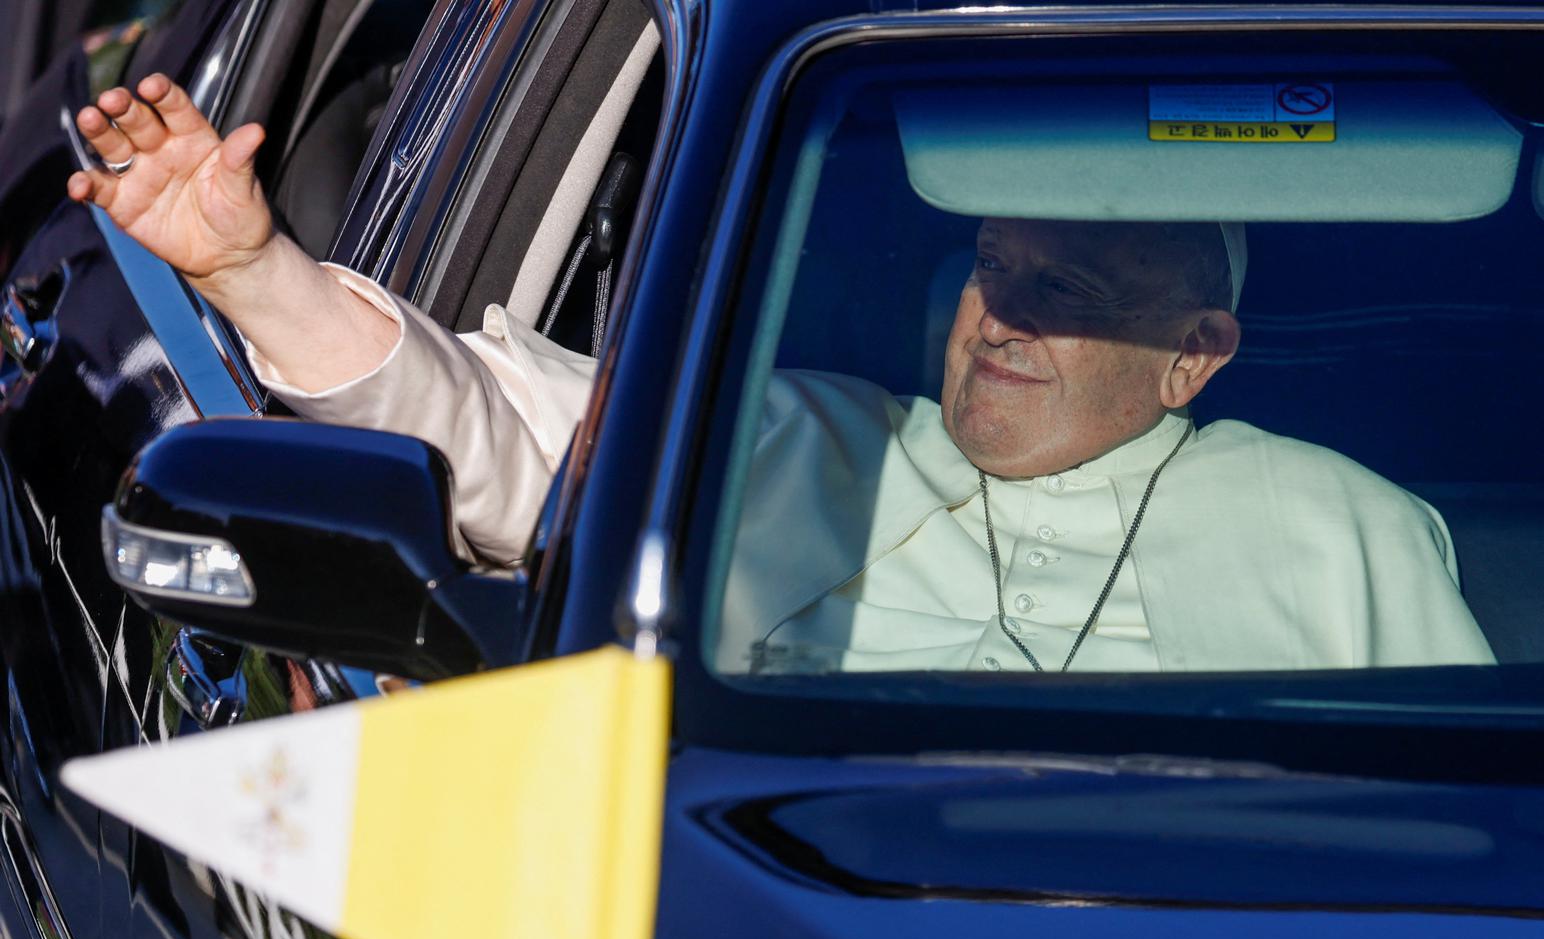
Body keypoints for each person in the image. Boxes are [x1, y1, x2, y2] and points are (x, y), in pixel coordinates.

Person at [68, 76, 1497, 674]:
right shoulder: (777, 439)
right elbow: (477, 436)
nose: (998, 315)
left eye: (1066, 291)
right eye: (991, 265)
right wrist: (253, 273)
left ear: (1196, 356)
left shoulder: (1341, 531)